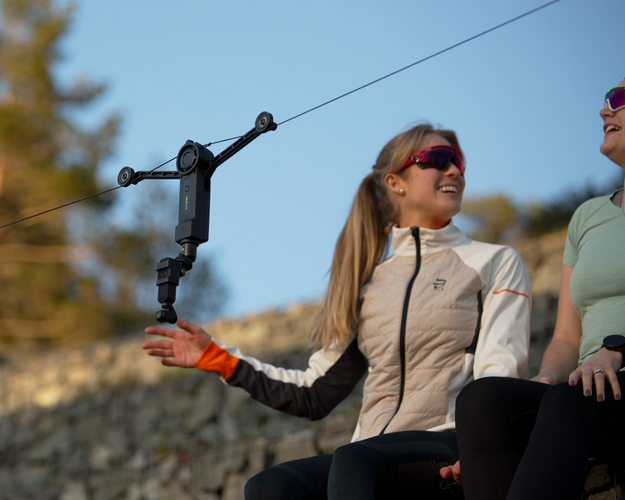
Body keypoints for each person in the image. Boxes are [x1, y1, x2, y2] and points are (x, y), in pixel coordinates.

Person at [141, 123, 532, 500]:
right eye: (439, 158)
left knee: (353, 461)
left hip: (449, 447)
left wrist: (483, 450)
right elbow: (314, 393)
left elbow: (499, 373)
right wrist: (218, 358)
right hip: (370, 456)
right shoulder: (371, 288)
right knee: (269, 487)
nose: (454, 170)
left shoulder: (492, 262)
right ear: (395, 182)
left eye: (459, 162)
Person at [450, 79, 625, 500]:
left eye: (619, 99)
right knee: (482, 400)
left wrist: (616, 350)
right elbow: (566, 337)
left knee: (569, 403)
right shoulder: (588, 217)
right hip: (591, 389)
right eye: (605, 99)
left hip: (604, 384)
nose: (604, 110)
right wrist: (547, 378)